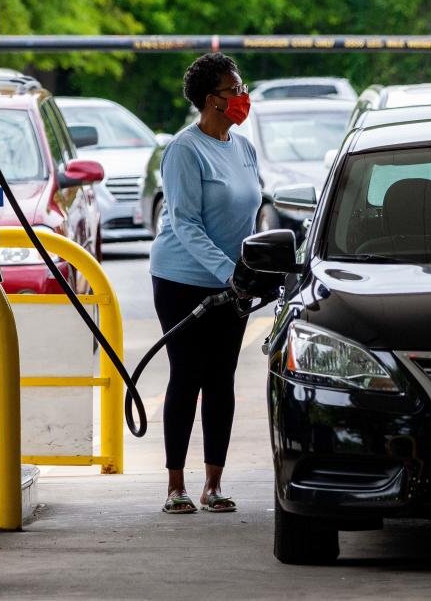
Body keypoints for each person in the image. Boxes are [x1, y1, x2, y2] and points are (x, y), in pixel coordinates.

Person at [149, 53, 261, 514]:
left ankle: (213, 484)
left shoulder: (243, 147)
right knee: (187, 376)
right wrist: (228, 274)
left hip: (234, 283)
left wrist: (256, 268)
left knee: (222, 380)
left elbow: (252, 215)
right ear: (212, 100)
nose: (242, 97)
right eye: (234, 90)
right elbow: (186, 223)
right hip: (182, 279)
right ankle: (175, 485)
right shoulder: (184, 149)